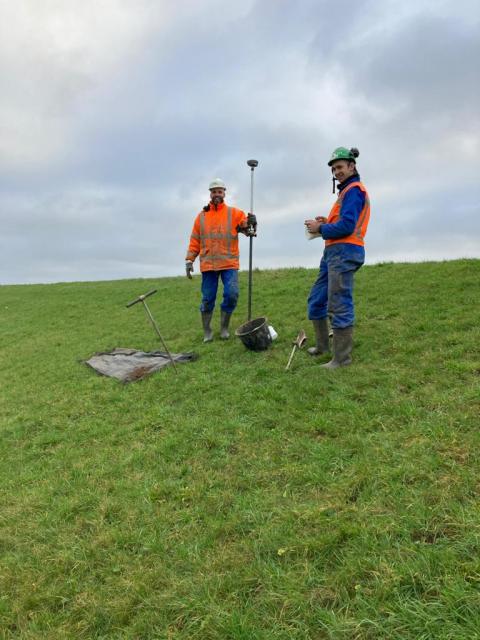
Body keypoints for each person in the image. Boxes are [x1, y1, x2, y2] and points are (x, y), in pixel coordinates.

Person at [304, 147, 370, 368]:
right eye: (334, 169)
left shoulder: (354, 190)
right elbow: (341, 223)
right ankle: (323, 347)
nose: (336, 172)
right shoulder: (345, 192)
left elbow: (347, 226)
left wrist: (320, 227)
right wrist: (326, 222)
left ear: (352, 166)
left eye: (340, 167)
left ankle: (341, 359)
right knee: (316, 300)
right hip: (333, 253)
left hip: (344, 252)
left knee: (339, 304)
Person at [185, 178, 256, 342]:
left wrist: (252, 223)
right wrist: (189, 260)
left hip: (229, 263)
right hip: (208, 264)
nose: (217, 194)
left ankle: (224, 327)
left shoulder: (234, 213)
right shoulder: (201, 217)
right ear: (210, 194)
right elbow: (195, 240)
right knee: (208, 298)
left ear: (224, 193)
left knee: (232, 294)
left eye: (219, 191)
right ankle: (207, 330)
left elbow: (247, 229)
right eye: (214, 191)